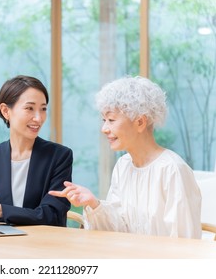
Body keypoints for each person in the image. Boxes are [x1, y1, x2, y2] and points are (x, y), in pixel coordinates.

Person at [49, 76, 202, 239]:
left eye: (111, 120)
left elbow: (186, 243)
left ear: (140, 122)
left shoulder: (172, 170)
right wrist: (93, 203)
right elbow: (117, 230)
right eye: (103, 120)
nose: (104, 129)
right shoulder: (123, 165)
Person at [0, 75, 72, 226]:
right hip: (3, 243)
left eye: (43, 109)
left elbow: (52, 215)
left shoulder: (59, 156)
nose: (38, 118)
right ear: (5, 111)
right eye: (29, 108)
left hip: (43, 245)